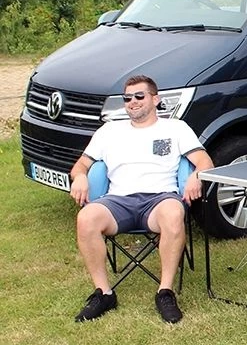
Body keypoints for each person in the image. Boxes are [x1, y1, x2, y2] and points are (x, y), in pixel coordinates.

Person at [68, 74, 214, 323]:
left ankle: (165, 292)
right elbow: (81, 165)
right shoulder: (110, 130)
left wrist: (196, 176)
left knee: (173, 213)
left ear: (155, 99)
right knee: (86, 218)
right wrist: (80, 177)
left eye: (139, 96)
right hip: (117, 201)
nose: (132, 102)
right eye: (127, 98)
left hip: (160, 199)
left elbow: (204, 161)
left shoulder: (175, 128)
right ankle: (103, 293)